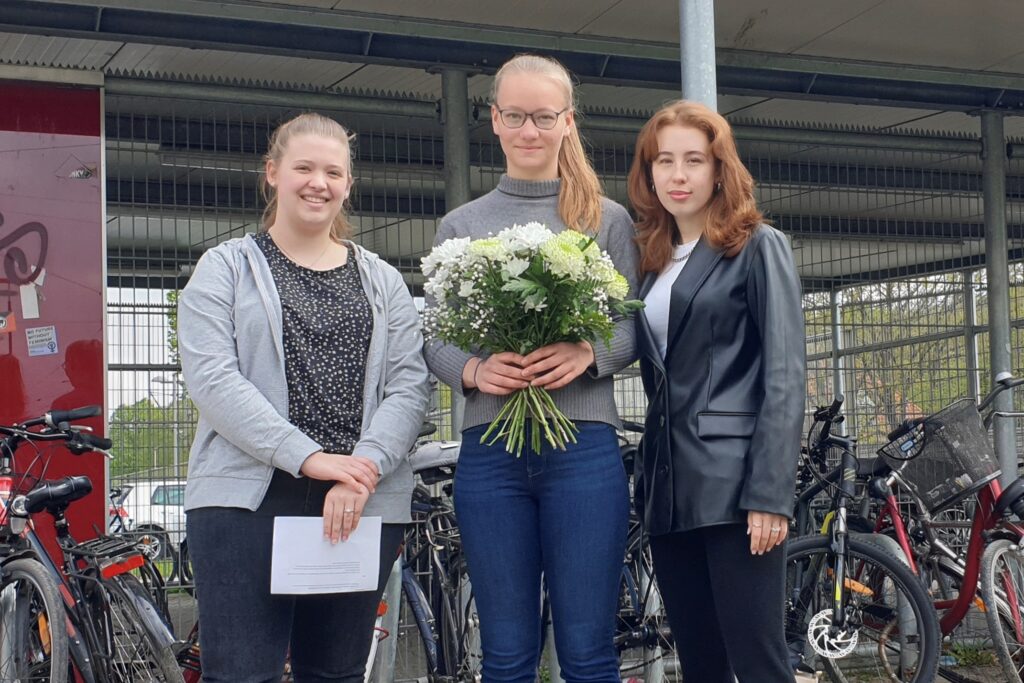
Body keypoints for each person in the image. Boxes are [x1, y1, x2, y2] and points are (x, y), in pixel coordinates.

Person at [178, 112, 430, 683]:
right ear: (272, 173)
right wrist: (310, 458)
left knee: (336, 673)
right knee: (243, 672)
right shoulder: (224, 269)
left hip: (359, 500)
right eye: (304, 168)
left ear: (348, 184)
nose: (319, 182)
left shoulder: (385, 281)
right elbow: (215, 379)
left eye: (334, 171)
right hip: (246, 500)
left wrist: (358, 469)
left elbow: (410, 386)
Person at [424, 54, 639, 683]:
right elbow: (433, 336)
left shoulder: (606, 219)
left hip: (585, 451)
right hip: (490, 452)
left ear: (568, 122)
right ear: (493, 119)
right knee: (506, 655)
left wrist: (587, 355)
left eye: (543, 117)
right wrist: (471, 371)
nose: (529, 130)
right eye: (515, 115)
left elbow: (630, 325)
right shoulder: (460, 227)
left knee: (589, 652)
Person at [626, 100, 805, 683]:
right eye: (665, 161)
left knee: (757, 659)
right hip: (670, 490)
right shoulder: (651, 261)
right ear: (649, 173)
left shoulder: (757, 246)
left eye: (694, 161)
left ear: (719, 169)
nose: (678, 175)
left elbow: (784, 373)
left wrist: (771, 493)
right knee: (700, 663)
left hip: (737, 488)